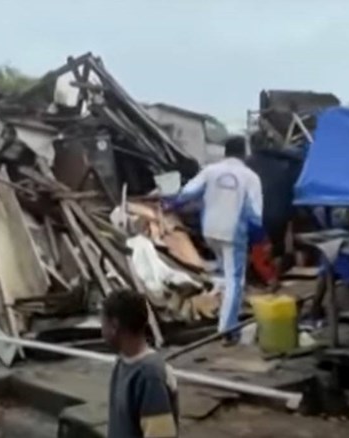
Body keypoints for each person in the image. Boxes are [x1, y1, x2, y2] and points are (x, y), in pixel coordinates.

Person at [166, 136, 263, 344]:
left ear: (225, 152)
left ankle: (220, 309)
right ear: (245, 153)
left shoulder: (210, 171)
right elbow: (255, 214)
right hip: (233, 233)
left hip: (209, 231)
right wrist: (256, 237)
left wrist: (169, 205)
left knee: (223, 273)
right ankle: (227, 330)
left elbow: (186, 194)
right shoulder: (250, 177)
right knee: (235, 281)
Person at [102, 290, 179, 438]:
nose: (102, 330)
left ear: (114, 325)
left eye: (103, 323)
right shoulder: (122, 364)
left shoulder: (150, 377)